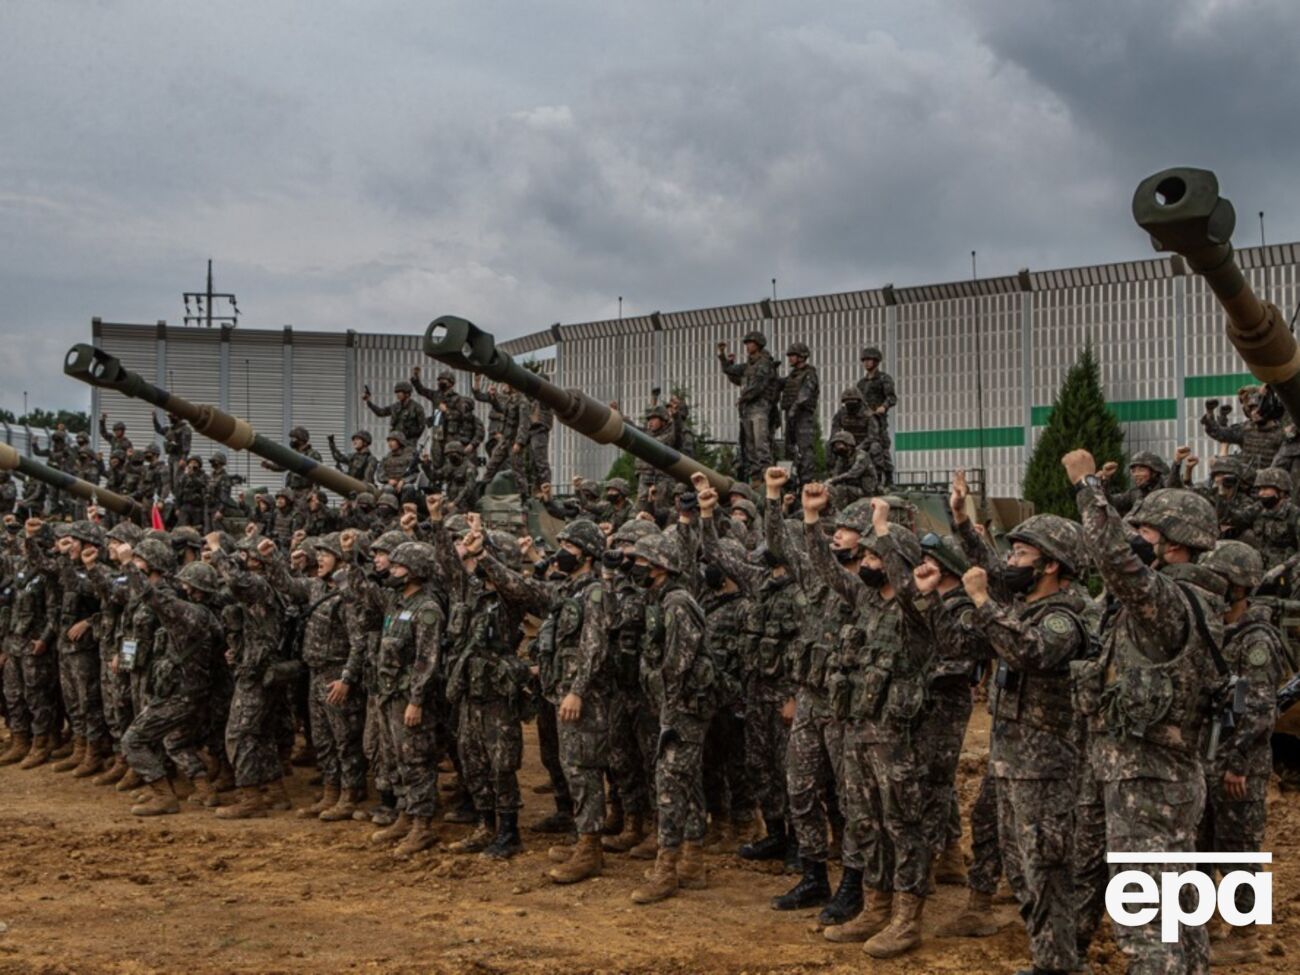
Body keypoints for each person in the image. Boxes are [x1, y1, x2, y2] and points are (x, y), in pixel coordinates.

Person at [1065, 452, 1221, 973]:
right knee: (1177, 911)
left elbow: (1117, 562)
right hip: (1160, 775)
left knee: (1147, 918)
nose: (1136, 539)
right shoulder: (1188, 602)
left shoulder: (1172, 603)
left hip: (1147, 781)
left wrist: (1088, 486)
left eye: (1145, 532)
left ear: (1173, 544)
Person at [948, 475, 1089, 975]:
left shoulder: (1065, 616)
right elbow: (989, 570)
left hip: (1047, 770)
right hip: (1012, 764)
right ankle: (1050, 960)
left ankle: (1060, 964)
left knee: (1047, 870)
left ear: (1051, 565)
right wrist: (963, 521)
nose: (1011, 563)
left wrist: (983, 605)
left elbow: (1030, 652)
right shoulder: (1026, 605)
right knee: (1024, 869)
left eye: (1022, 555)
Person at [1196, 541, 1287, 965]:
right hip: (1205, 759)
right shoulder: (1217, 629)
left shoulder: (1256, 641)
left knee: (1237, 850)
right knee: (1201, 844)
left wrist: (1236, 765)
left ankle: (1245, 935)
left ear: (1239, 586)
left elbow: (1259, 712)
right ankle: (1204, 922)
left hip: (1238, 767)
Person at [627, 529, 716, 904]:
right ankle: (692, 862)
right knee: (687, 783)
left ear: (661, 567)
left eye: (642, 562)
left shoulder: (677, 603)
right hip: (676, 705)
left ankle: (667, 870)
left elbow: (677, 665)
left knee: (669, 787)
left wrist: (669, 715)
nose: (635, 567)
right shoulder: (660, 599)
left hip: (681, 709)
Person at [718, 331, 776, 481]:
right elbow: (729, 370)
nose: (747, 346)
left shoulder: (764, 363)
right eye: (746, 343)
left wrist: (744, 397)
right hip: (747, 409)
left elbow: (759, 385)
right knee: (750, 447)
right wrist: (723, 356)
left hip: (760, 408)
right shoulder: (748, 365)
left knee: (761, 445)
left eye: (750, 343)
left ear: (758, 344)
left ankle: (767, 478)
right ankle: (756, 478)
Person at [779, 343, 819, 487]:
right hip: (790, 416)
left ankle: (806, 482)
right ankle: (789, 482)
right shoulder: (792, 375)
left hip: (803, 416)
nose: (789, 359)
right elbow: (780, 384)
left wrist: (794, 408)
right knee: (788, 449)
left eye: (792, 356)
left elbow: (805, 394)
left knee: (805, 449)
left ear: (801, 357)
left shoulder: (809, 373)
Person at [856, 347, 897, 486]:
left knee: (882, 448)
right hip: (864, 421)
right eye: (865, 360)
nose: (867, 363)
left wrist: (883, 407)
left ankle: (888, 479)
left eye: (869, 360)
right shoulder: (861, 384)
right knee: (865, 448)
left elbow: (892, 397)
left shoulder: (884, 379)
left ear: (876, 361)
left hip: (878, 420)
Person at [364, 380, 427, 446]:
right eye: (396, 392)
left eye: (400, 392)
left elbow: (421, 426)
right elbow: (380, 412)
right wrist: (368, 402)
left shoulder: (417, 408)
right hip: (396, 442)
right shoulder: (395, 407)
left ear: (407, 393)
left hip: (409, 442)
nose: (397, 394)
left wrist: (411, 436)